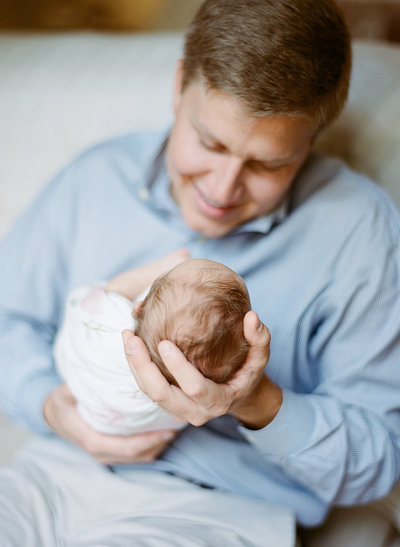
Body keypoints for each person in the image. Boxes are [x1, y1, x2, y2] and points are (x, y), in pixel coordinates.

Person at [0, 0, 399, 545]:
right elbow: (7, 318)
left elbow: (378, 460)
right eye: (209, 143)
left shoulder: (358, 230)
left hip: (217, 506)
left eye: (266, 164)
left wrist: (255, 400)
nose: (222, 189)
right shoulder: (98, 176)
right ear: (178, 86)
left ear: (311, 141)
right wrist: (50, 405)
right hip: (54, 471)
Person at [55, 253, 251, 435]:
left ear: (138, 308)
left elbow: (116, 288)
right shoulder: (185, 400)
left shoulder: (112, 320)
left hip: (74, 370)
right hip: (109, 424)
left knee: (98, 300)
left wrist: (165, 265)